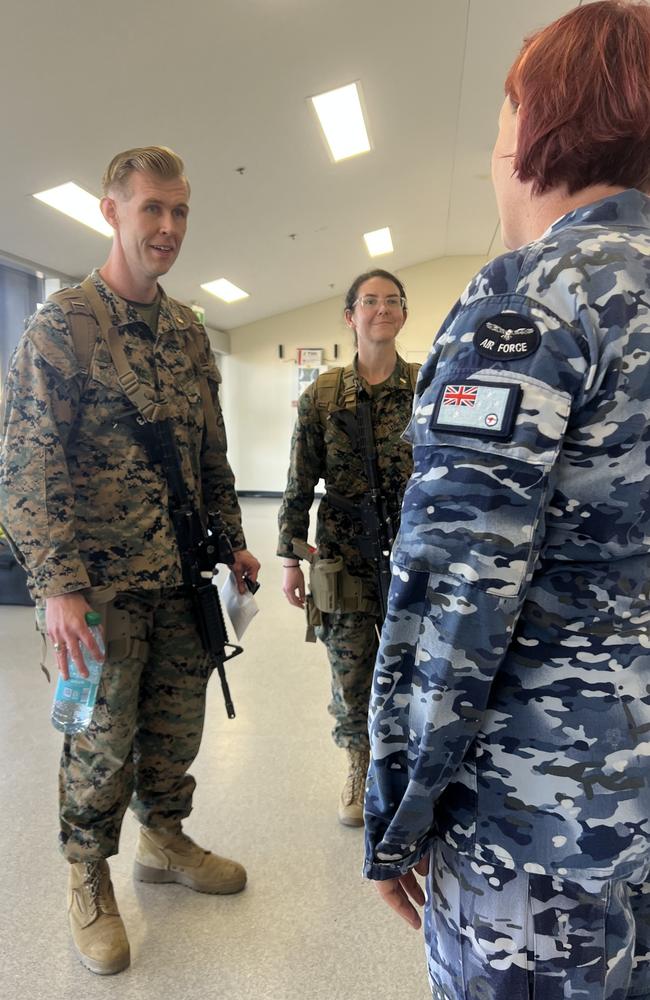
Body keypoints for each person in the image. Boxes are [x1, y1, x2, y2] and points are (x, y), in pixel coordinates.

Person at [363, 3, 650, 998]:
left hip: (537, 841)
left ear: (533, 129)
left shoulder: (527, 305)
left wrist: (395, 806)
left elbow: (454, 594)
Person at [0, 146, 260, 976]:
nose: (169, 227)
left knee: (174, 727)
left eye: (180, 211)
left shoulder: (187, 332)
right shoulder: (62, 326)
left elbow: (209, 452)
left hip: (183, 579)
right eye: (152, 209)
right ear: (110, 211)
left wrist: (234, 538)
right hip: (101, 589)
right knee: (97, 738)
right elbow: (28, 466)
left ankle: (163, 838)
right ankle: (88, 876)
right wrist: (57, 589)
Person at [278, 270, 418, 825]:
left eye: (393, 301)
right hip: (342, 556)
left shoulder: (428, 384)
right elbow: (298, 481)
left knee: (413, 669)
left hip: (413, 558)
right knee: (351, 671)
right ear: (350, 316)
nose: (382, 310)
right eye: (370, 301)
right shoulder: (324, 394)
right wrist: (291, 558)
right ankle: (358, 766)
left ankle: (407, 771)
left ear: (403, 314)